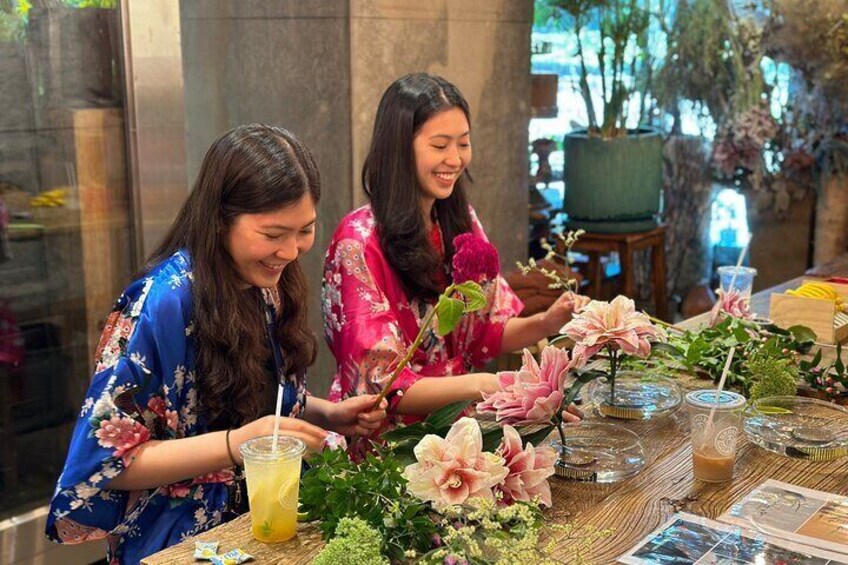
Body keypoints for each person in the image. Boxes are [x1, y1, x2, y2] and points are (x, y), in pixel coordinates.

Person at [46, 124, 387, 563]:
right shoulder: (161, 302)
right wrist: (237, 444)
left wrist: (330, 414)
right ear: (220, 219)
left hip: (266, 522)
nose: (290, 251)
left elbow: (254, 402)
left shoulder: (267, 281)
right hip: (181, 540)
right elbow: (108, 462)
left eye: (305, 230)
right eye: (273, 234)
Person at [322, 73, 587, 427]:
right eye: (440, 145)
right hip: (385, 441)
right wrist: (487, 385)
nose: (455, 159)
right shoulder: (357, 242)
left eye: (463, 143)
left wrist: (547, 321)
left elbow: (487, 330)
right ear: (399, 148)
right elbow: (380, 384)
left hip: (459, 426)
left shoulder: (461, 221)